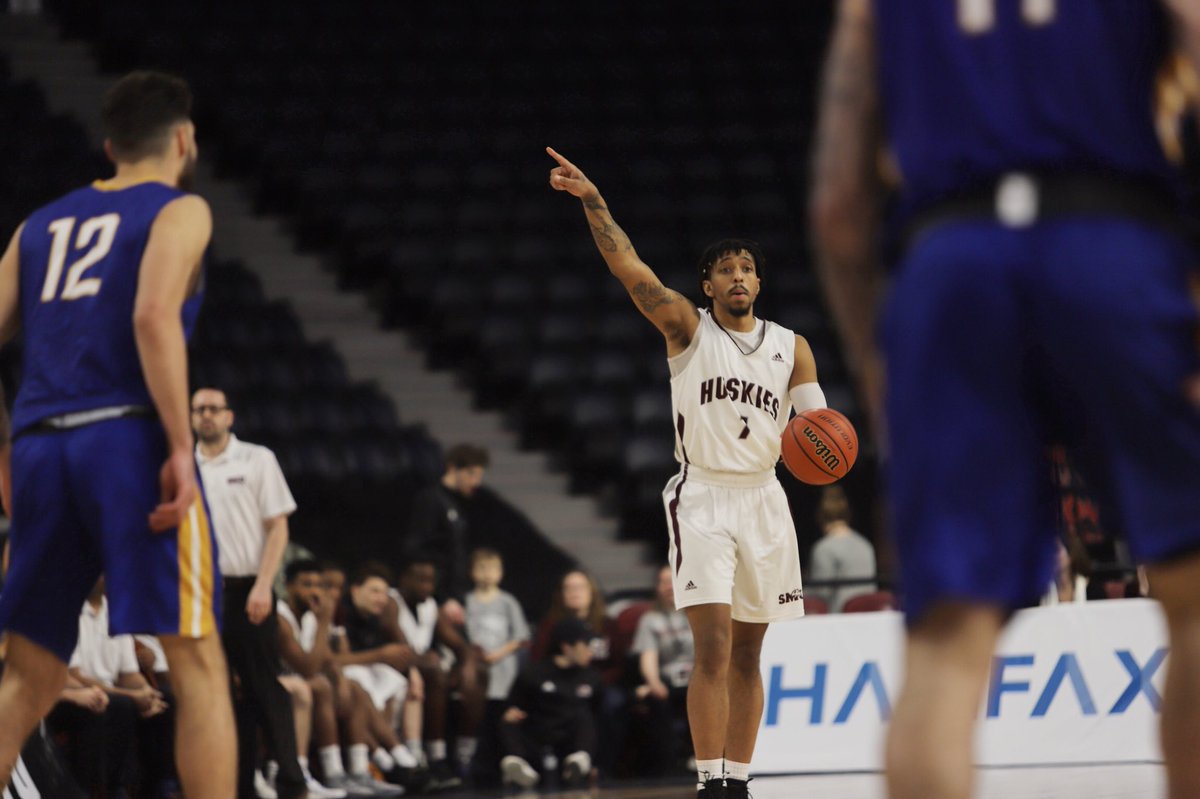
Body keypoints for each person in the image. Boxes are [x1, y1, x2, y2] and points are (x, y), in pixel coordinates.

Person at [808, 3, 1200, 798]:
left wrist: (874, 361)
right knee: (1194, 604)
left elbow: (838, 209)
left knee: (946, 642)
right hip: (1113, 248)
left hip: (949, 266)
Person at [548, 148, 827, 799]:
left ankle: (737, 780)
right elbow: (629, 268)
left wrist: (826, 445)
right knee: (715, 643)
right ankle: (708, 782)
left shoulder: (794, 347)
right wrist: (594, 200)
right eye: (725, 268)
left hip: (765, 496)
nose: (738, 276)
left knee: (751, 655)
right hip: (703, 494)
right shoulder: (685, 328)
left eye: (747, 268)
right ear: (707, 285)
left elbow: (820, 432)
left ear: (758, 283)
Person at [0, 70, 235, 798]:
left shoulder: (37, 224)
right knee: (197, 663)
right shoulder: (181, 209)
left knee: (30, 668)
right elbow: (152, 315)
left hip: (41, 442)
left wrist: (7, 445)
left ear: (109, 145)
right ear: (185, 140)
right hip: (124, 437)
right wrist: (177, 447)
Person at [192, 385, 307, 799]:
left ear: (229, 416)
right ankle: (237, 785)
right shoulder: (184, 466)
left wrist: (264, 584)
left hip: (249, 588)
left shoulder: (257, 459)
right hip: (204, 593)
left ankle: (293, 781)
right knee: (219, 690)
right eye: (199, 409)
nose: (206, 415)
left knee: (263, 683)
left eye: (213, 409)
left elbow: (278, 526)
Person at [392, 556, 476, 791]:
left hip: (423, 671)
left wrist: (466, 666)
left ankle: (458, 757)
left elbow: (460, 646)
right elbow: (401, 648)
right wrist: (419, 665)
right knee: (434, 668)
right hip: (394, 668)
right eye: (420, 580)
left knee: (476, 674)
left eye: (431, 581)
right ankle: (429, 759)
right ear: (404, 579)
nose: (426, 587)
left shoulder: (431, 606)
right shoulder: (392, 602)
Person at [499, 618, 600, 791]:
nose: (590, 651)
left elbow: (598, 712)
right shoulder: (534, 673)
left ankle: (580, 761)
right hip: (538, 732)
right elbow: (515, 703)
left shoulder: (591, 677)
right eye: (585, 644)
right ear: (567, 647)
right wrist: (513, 714)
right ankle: (518, 764)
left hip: (569, 739)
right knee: (509, 720)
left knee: (585, 716)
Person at [405, 443, 490, 626]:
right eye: (471, 474)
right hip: (434, 598)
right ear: (452, 468)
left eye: (479, 476)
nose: (476, 482)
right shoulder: (430, 499)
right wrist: (443, 597)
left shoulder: (456, 504)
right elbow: (419, 550)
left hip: (453, 598)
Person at [629, 565, 695, 777]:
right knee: (657, 700)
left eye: (672, 580)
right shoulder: (650, 619)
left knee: (706, 697)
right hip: (668, 678)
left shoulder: (699, 612)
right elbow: (648, 655)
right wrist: (653, 682)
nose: (668, 586)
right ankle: (669, 764)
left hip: (699, 676)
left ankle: (702, 757)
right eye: (663, 582)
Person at [807, 486, 876, 612]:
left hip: (838, 621)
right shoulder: (866, 545)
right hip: (868, 618)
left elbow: (819, 595)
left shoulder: (824, 549)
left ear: (819, 515)